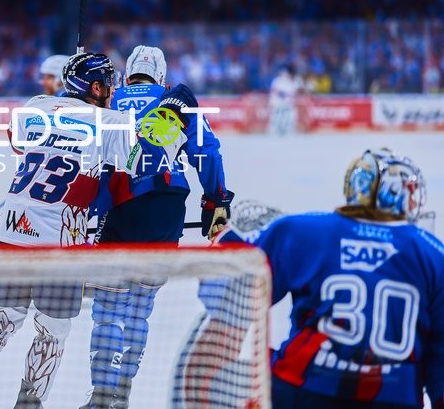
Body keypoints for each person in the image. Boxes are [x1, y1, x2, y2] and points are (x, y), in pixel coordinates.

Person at [0, 52, 194, 409]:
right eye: (107, 81)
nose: (113, 87)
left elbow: (17, 140)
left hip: (9, 233)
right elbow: (148, 156)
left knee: (1, 318)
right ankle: (29, 404)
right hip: (59, 248)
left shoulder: (35, 106)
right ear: (95, 86)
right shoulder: (110, 122)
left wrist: (63, 110)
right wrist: (175, 107)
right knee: (52, 332)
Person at [178, 148, 441, 409]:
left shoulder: (305, 230)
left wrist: (226, 240)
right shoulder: (432, 253)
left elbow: (224, 289)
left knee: (223, 343)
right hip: (393, 399)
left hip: (300, 391)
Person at [82, 45, 233, 409]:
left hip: (117, 211)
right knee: (140, 304)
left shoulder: (108, 99)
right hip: (166, 211)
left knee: (109, 307)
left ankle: (103, 395)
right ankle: (124, 391)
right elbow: (207, 152)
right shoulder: (175, 101)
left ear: (126, 74)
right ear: (160, 76)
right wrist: (215, 201)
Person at [268, 64, 304, 135]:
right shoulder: (279, 80)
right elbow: (275, 91)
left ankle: (289, 131)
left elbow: (299, 90)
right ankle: (274, 132)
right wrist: (285, 96)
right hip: (278, 103)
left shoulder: (295, 80)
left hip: (288, 104)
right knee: (276, 119)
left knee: (290, 117)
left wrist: (300, 89)